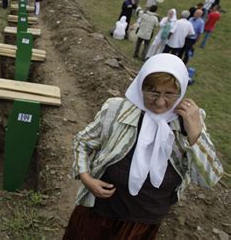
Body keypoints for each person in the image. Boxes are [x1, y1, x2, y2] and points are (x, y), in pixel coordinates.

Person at [63, 53, 223, 239]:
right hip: (99, 214)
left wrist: (196, 134)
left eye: (170, 94)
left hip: (143, 223)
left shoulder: (188, 121)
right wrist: (86, 178)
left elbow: (208, 179)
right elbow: (82, 142)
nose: (160, 102)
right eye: (153, 92)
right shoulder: (116, 110)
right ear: (140, 87)